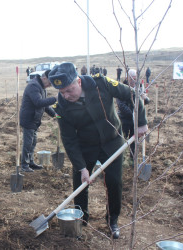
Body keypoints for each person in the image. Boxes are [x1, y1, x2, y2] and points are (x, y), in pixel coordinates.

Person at [48, 62, 148, 239]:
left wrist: (141, 121)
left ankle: (112, 220)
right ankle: (81, 217)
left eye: (69, 90)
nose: (66, 95)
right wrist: (82, 168)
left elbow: (131, 95)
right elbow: (69, 140)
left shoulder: (101, 83)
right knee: (80, 182)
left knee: (114, 182)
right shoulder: (61, 106)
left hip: (112, 142)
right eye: (62, 92)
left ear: (78, 82)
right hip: (85, 145)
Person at [19, 70, 57, 172]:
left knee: (33, 142)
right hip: (28, 119)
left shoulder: (41, 87)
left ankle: (30, 162)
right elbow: (38, 102)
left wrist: (55, 114)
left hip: (35, 120)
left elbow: (45, 105)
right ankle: (24, 165)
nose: (49, 85)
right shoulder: (33, 86)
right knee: (28, 143)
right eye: (49, 83)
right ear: (44, 78)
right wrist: (55, 98)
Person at [117, 69, 150, 162]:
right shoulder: (122, 88)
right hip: (124, 119)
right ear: (127, 78)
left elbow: (144, 102)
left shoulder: (139, 87)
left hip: (135, 121)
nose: (133, 81)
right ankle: (120, 159)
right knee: (122, 139)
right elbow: (121, 105)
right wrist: (133, 113)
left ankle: (132, 159)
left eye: (135, 79)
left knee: (134, 140)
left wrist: (145, 99)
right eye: (131, 79)